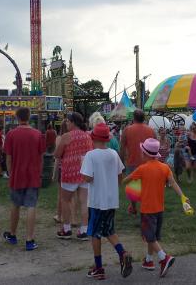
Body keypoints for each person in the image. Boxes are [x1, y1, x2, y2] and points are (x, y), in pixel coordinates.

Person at [122, 138, 188, 278]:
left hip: (147, 210)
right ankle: (149, 260)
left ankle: (164, 257)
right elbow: (174, 183)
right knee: (152, 236)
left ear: (144, 153)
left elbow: (125, 181)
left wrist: (126, 179)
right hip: (159, 209)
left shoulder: (142, 169)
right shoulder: (164, 167)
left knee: (149, 236)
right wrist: (183, 197)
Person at [81, 123, 133, 280]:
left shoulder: (91, 155)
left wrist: (82, 168)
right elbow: (120, 176)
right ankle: (122, 253)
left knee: (95, 234)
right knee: (109, 230)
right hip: (111, 199)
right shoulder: (113, 154)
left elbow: (88, 178)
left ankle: (99, 267)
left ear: (93, 138)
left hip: (97, 201)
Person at [2, 107, 46, 251]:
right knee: (31, 206)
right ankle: (29, 239)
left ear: (17, 117)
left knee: (15, 205)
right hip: (33, 175)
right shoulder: (38, 134)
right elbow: (41, 158)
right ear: (29, 117)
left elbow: (8, 158)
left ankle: (13, 235)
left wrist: (10, 173)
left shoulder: (11, 134)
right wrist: (39, 172)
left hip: (17, 175)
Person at [54, 112, 93, 240]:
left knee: (65, 200)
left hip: (70, 172)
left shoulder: (66, 136)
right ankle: (84, 230)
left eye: (67, 121)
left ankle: (66, 229)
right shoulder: (87, 136)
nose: (66, 123)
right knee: (84, 202)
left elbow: (57, 154)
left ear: (73, 122)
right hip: (84, 172)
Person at [120, 109, 155, 215]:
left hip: (132, 162)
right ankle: (146, 207)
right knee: (147, 186)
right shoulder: (151, 130)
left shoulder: (127, 130)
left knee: (133, 187)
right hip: (148, 162)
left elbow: (122, 148)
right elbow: (155, 146)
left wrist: (121, 163)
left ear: (133, 118)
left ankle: (133, 207)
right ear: (144, 118)